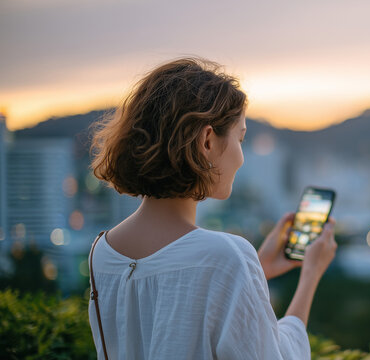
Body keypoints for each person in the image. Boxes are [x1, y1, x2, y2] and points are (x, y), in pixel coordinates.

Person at [88, 57, 337, 359]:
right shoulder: (227, 255)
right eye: (240, 138)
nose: (242, 157)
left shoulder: (101, 251)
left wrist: (256, 271)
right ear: (207, 141)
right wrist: (310, 276)